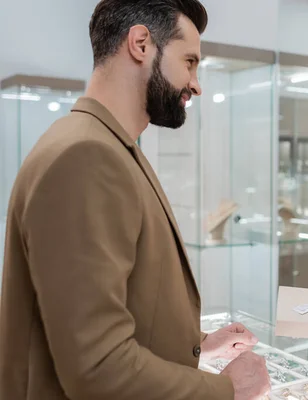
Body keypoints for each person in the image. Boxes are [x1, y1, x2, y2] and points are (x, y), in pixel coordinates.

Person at [0, 1, 270, 399]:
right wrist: (225, 389)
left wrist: (197, 343)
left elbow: (104, 308)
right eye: (189, 62)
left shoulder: (104, 145)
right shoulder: (86, 157)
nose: (196, 84)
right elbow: (98, 366)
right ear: (141, 44)